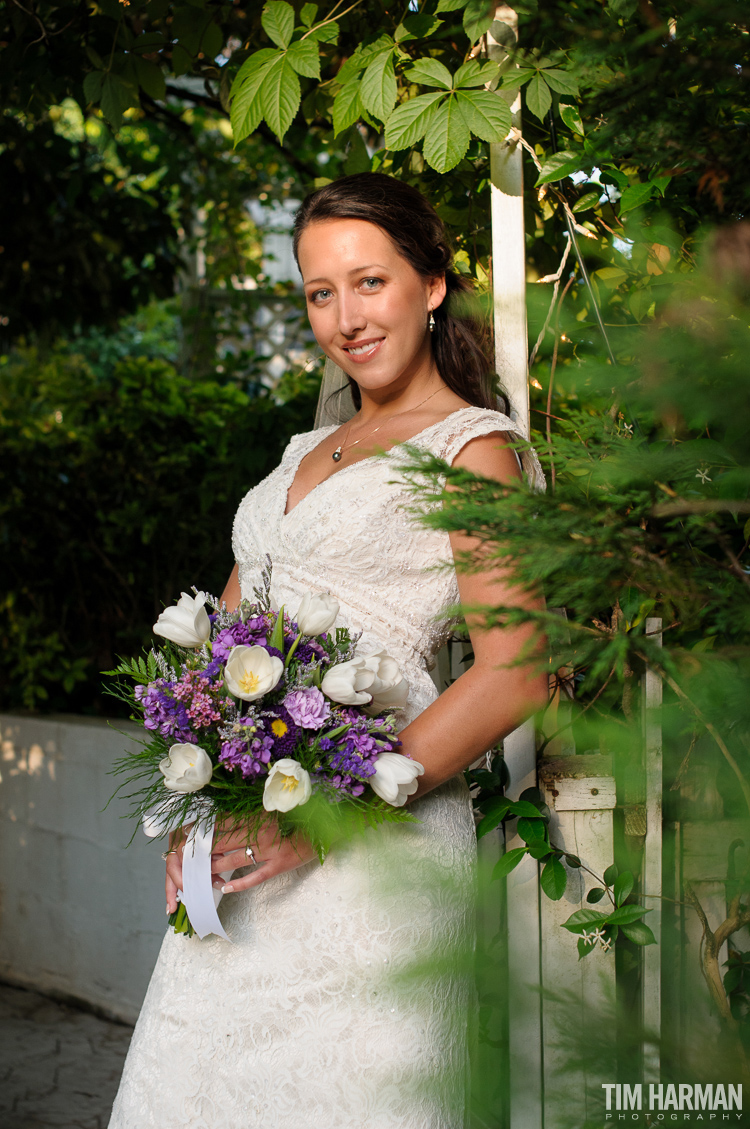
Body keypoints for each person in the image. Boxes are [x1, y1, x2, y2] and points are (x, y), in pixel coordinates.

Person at [108, 172, 547, 1129]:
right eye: (319, 292)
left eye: (370, 282)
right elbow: (224, 648)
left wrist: (326, 817)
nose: (345, 316)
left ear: (432, 285)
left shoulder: (475, 450)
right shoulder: (303, 452)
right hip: (244, 859)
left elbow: (517, 667)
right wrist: (193, 814)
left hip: (372, 851)